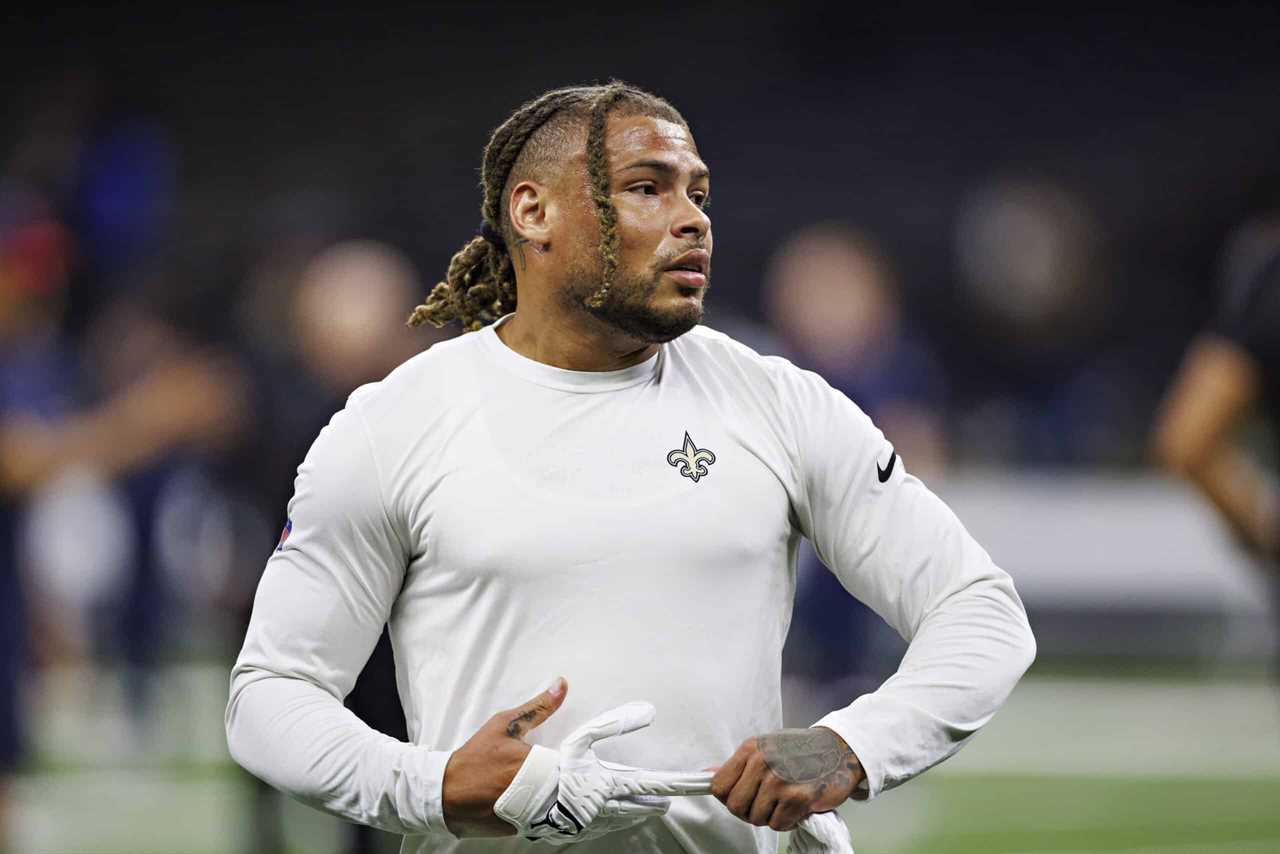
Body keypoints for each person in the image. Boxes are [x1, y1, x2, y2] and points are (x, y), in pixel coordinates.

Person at [226, 82, 1036, 853]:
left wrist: (853, 745)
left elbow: (980, 613)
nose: (693, 221)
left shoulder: (779, 403)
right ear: (533, 211)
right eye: (649, 188)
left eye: (699, 194)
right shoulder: (392, 425)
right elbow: (268, 698)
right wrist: (432, 786)